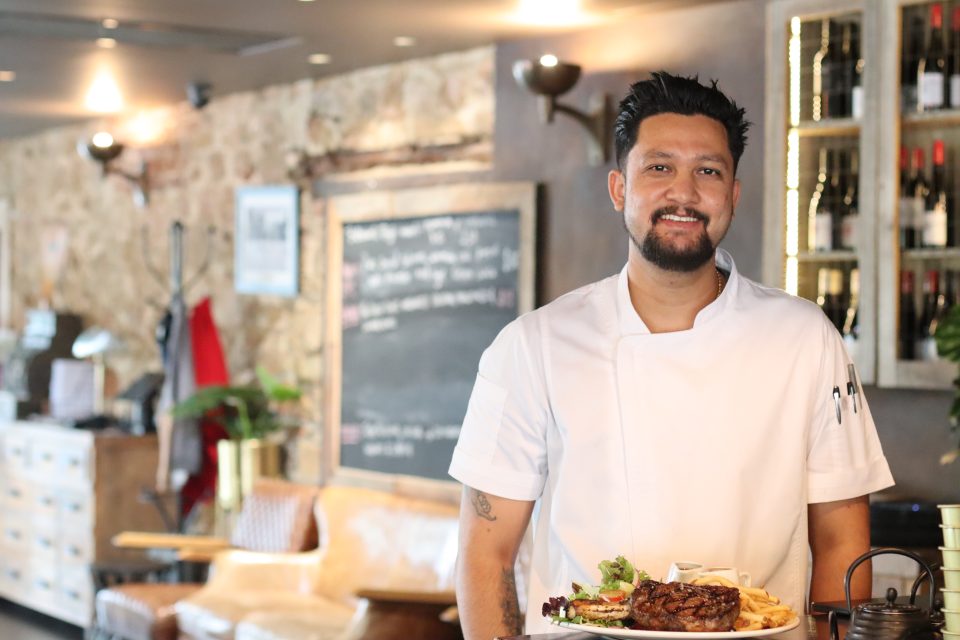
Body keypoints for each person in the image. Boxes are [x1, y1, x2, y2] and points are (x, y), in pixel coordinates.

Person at [448, 71, 894, 639]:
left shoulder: (805, 338)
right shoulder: (533, 346)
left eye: (708, 171)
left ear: (732, 195)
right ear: (619, 189)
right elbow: (485, 553)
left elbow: (841, 538)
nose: (683, 193)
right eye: (659, 168)